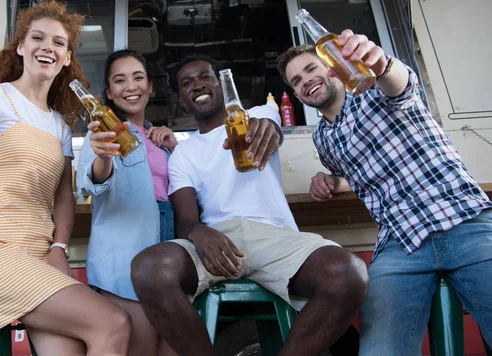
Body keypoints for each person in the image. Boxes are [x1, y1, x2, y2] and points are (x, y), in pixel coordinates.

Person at [130, 54, 369, 356]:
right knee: (149, 268)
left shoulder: (257, 114)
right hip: (219, 242)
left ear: (221, 84)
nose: (198, 85)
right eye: (187, 83)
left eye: (206, 77)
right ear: (182, 100)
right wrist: (199, 233)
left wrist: (263, 128)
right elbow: (186, 220)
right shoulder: (184, 154)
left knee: (348, 273)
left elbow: (268, 127)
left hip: (277, 238)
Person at [0, 0, 132, 355]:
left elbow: (63, 196)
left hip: (39, 258)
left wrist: (59, 247)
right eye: (38, 38)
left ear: (67, 57)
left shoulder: (58, 124)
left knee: (71, 349)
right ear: (21, 47)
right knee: (112, 323)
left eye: (58, 43)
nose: (48, 48)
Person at [277, 30, 492, 355]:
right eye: (295, 81)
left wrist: (381, 63)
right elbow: (361, 174)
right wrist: (334, 182)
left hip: (463, 220)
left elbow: (400, 83)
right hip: (399, 244)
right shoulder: (322, 138)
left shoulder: (369, 88)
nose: (305, 81)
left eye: (310, 69)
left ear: (330, 66)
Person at [77, 49, 178, 356]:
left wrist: (174, 149)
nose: (130, 86)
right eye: (119, 81)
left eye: (138, 78)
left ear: (150, 87)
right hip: (124, 261)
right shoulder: (102, 133)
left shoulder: (158, 140)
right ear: (109, 92)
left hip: (169, 258)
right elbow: (91, 182)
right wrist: (102, 156)